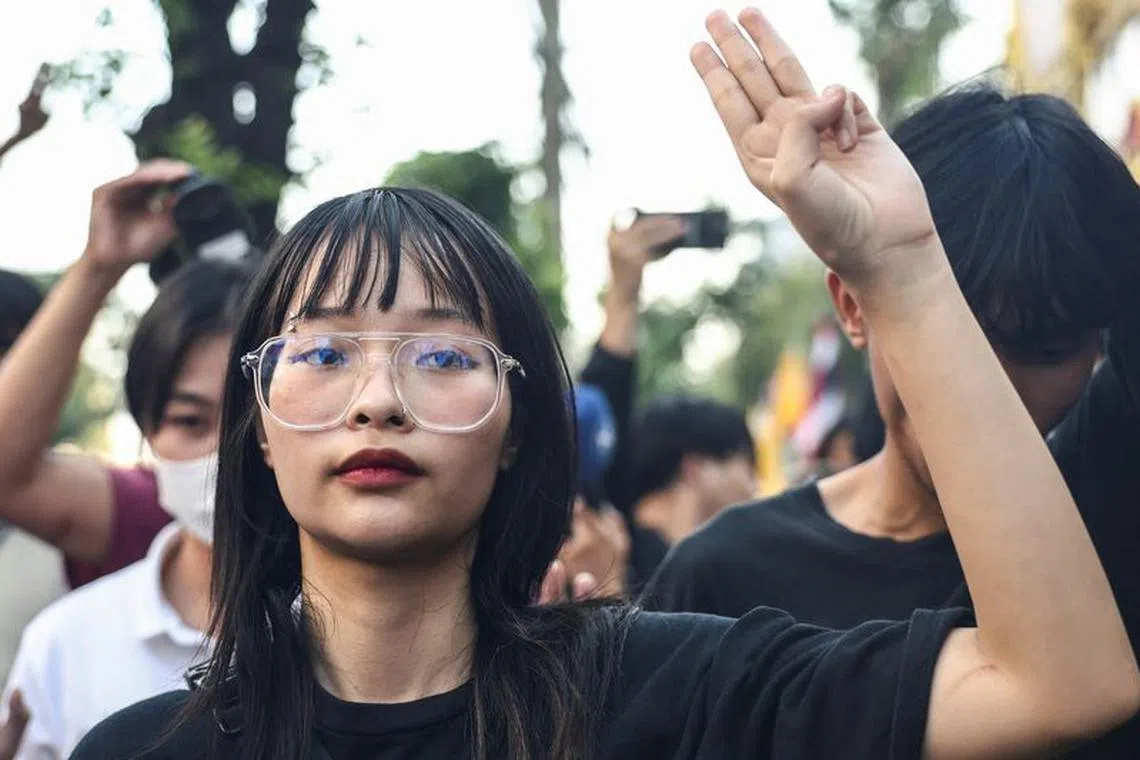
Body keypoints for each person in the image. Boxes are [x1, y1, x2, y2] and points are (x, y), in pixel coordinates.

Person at [71, 9, 1140, 759]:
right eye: (322, 351)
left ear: (524, 426)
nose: (375, 398)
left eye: (442, 353)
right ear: (258, 424)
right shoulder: (134, 747)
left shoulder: (663, 691)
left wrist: (903, 264)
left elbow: (1068, 687)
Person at [646, 82, 1140, 626]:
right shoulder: (722, 578)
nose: (987, 390)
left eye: (1045, 350)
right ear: (854, 309)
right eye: (950, 332)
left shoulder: (1110, 508)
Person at [0, 162, 258, 759]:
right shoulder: (70, 641)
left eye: (255, 421)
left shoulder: (383, 623)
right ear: (146, 431)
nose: (229, 456)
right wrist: (100, 264)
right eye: (190, 422)